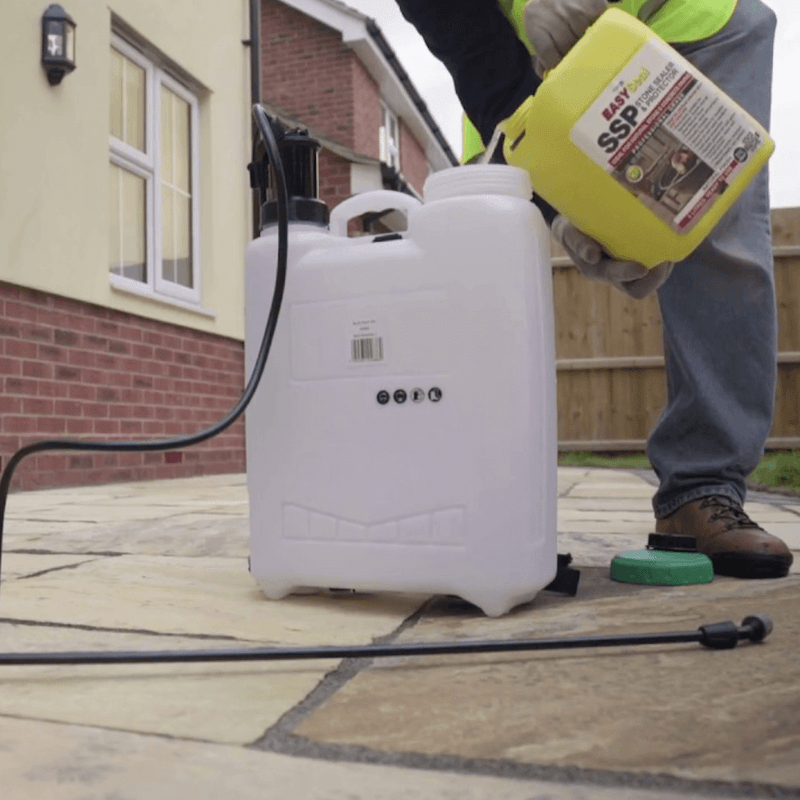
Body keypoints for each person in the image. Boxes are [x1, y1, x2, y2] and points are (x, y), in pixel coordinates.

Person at [394, 0, 793, 578]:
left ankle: (703, 487)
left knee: (716, 236)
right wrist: (556, 205)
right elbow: (470, 44)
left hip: (690, 21)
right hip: (540, 68)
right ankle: (480, 500)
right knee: (491, 243)